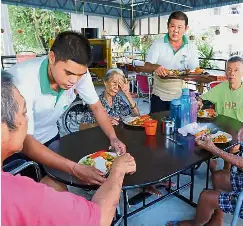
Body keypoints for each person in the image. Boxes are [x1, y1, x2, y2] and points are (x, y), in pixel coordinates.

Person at [1, 72, 136, 226]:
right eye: (24, 113)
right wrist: (117, 170)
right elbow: (99, 219)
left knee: (52, 181)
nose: (28, 121)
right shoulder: (21, 195)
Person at [167, 66, 243, 226]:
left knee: (206, 196)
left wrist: (215, 150)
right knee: (218, 177)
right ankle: (217, 218)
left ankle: (195, 224)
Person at [5, 31, 126, 191]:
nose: (73, 81)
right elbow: (25, 143)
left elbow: (96, 106)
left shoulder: (78, 74)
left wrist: (113, 138)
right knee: (26, 196)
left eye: (79, 75)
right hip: (17, 144)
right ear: (52, 57)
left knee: (57, 188)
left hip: (50, 137)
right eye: (68, 73)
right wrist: (74, 168)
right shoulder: (22, 82)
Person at [144, 11, 199, 113]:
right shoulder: (158, 44)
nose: (175, 31)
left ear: (186, 29)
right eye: (172, 26)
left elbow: (195, 69)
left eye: (180, 27)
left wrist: (191, 72)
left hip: (181, 97)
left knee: (180, 127)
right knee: (158, 126)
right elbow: (147, 66)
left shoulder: (190, 46)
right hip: (159, 97)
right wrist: (156, 67)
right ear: (168, 26)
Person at [198, 56, 243, 123]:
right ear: (225, 72)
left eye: (236, 70)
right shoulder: (220, 88)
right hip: (222, 127)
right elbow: (201, 98)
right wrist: (199, 102)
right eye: (229, 70)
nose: (232, 73)